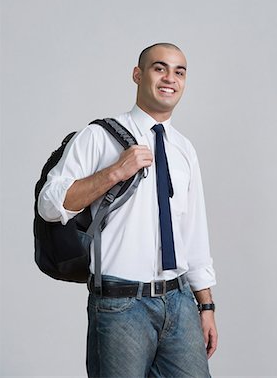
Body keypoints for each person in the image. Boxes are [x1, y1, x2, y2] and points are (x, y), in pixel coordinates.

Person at [38, 42, 218, 378]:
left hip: (179, 302)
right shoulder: (98, 136)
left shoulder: (183, 148)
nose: (170, 78)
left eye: (179, 72)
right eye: (159, 68)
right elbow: (50, 204)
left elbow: (193, 232)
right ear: (138, 74)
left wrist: (205, 305)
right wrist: (114, 172)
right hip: (121, 304)